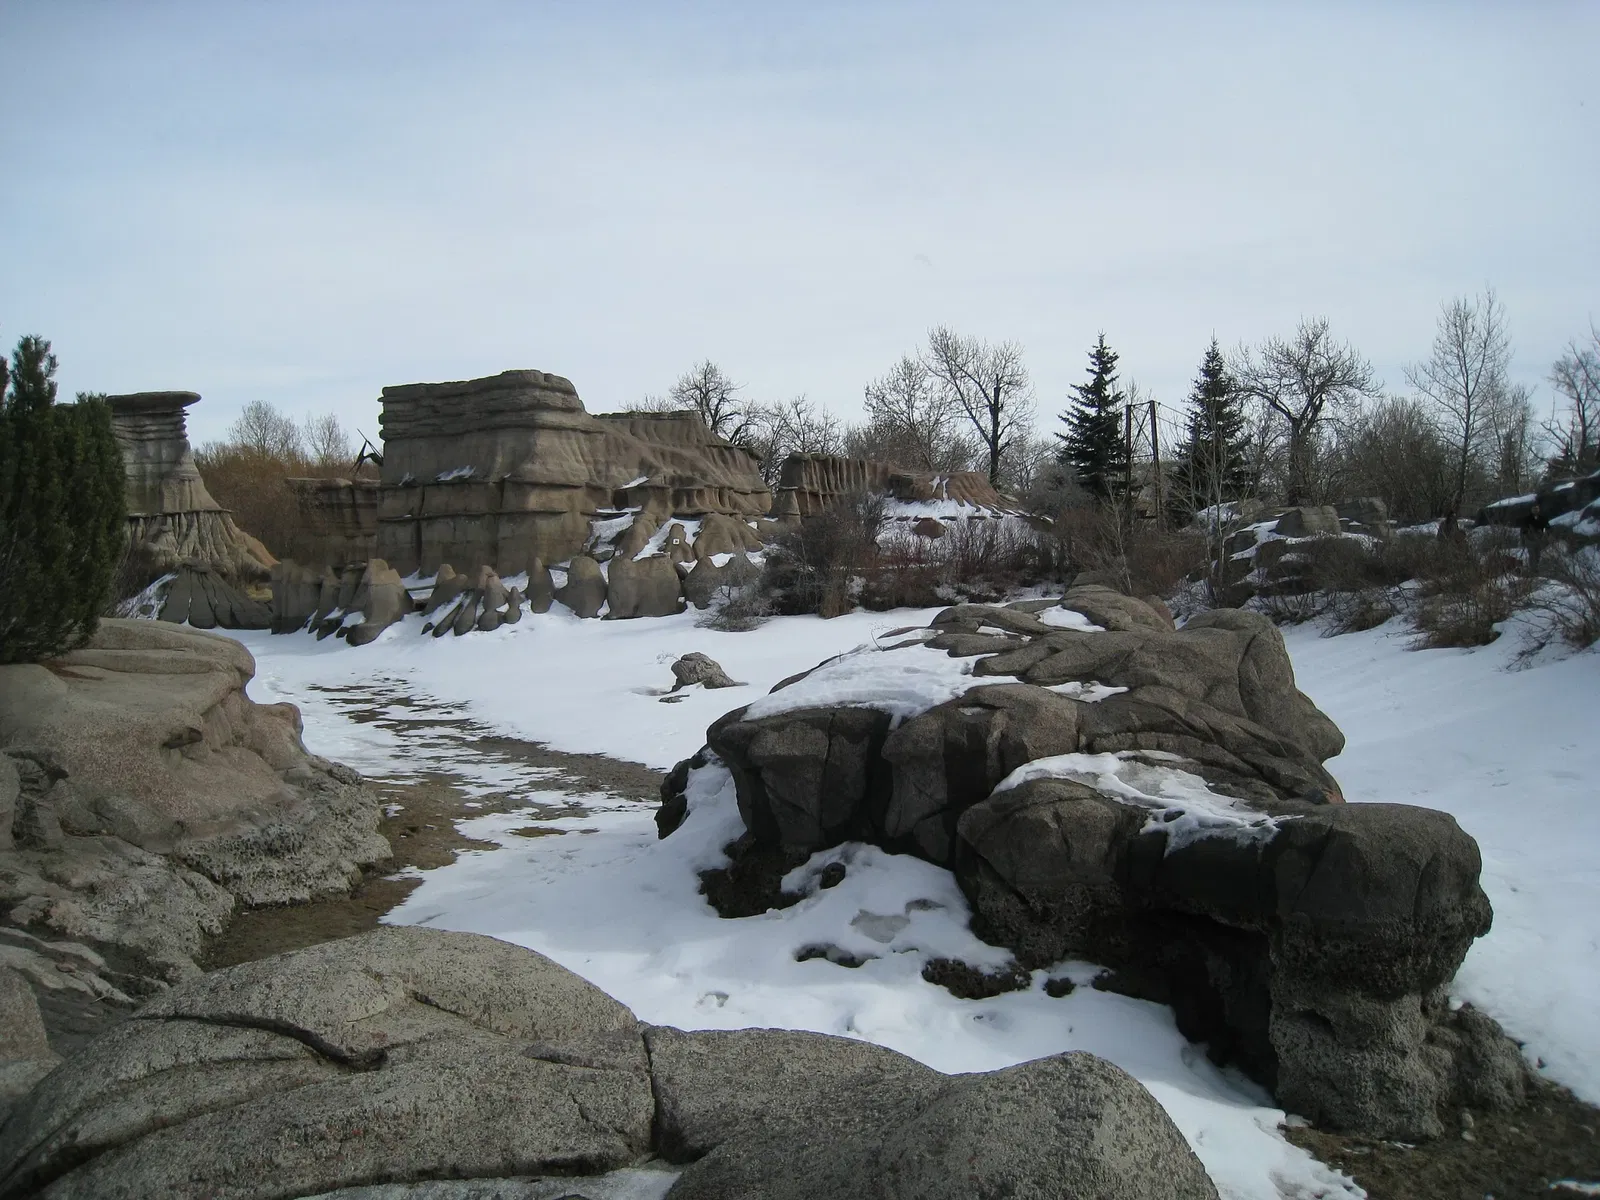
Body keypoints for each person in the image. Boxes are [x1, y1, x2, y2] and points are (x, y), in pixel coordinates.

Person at [1521, 500, 1548, 574]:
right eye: (1534, 508)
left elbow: (1547, 528)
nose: (1535, 510)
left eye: (1537, 508)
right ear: (1531, 509)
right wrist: (1525, 538)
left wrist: (1544, 535)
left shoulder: (1543, 518)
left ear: (1539, 509)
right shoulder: (1527, 519)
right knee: (1532, 555)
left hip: (1539, 539)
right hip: (1530, 540)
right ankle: (1532, 570)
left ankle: (1536, 569)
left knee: (1538, 555)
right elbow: (1523, 530)